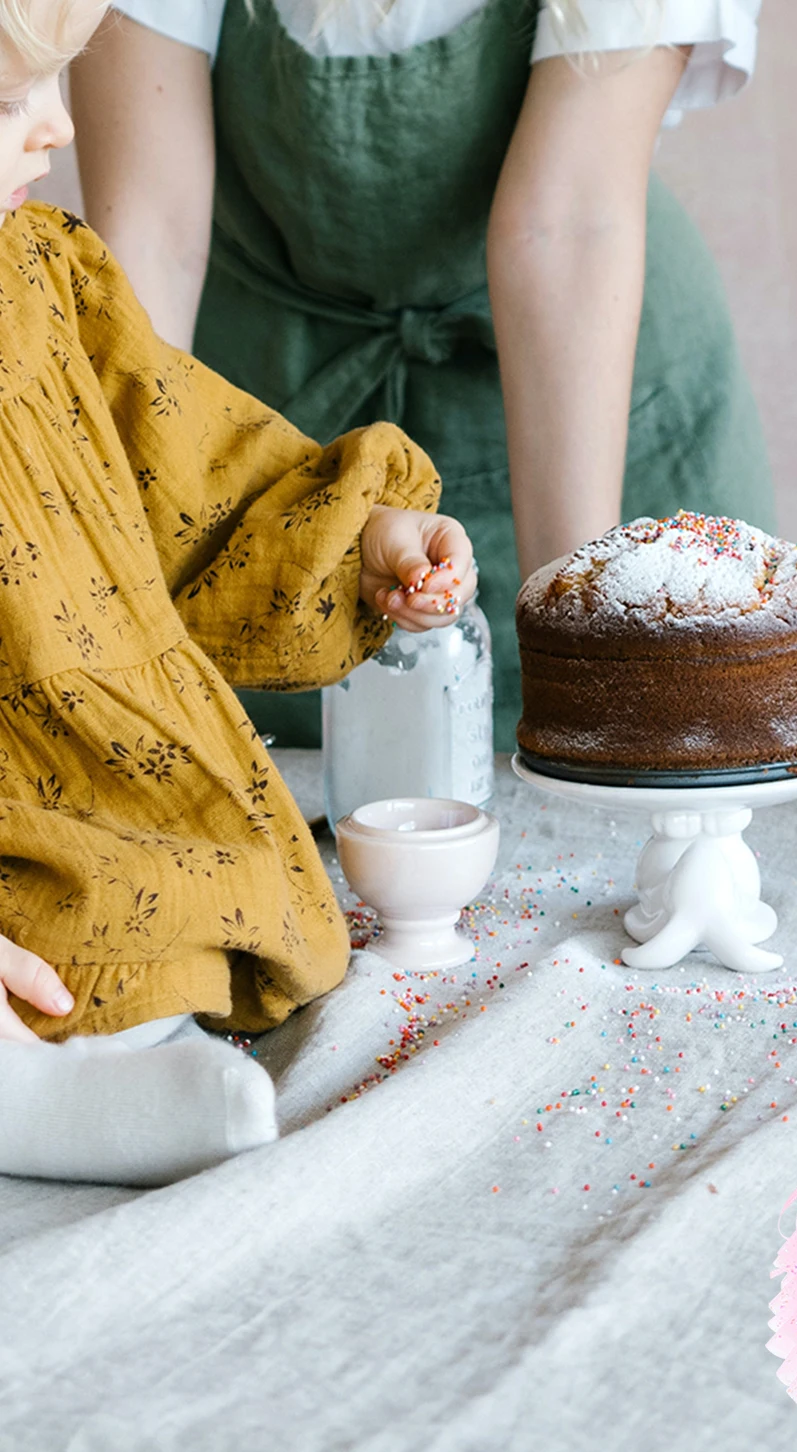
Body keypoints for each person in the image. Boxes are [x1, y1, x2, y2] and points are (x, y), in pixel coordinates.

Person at [0, 0, 478, 1186]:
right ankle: (37, 1089)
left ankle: (136, 1042)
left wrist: (358, 533)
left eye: (55, 84)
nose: (55, 127)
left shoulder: (45, 284)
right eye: (7, 97)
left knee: (176, 882)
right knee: (61, 915)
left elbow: (191, 462)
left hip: (101, 754)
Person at [69, 0, 773, 749]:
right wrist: (123, 589)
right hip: (265, 388)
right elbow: (154, 224)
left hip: (584, 380)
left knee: (645, 754)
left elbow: (564, 224)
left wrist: (576, 653)